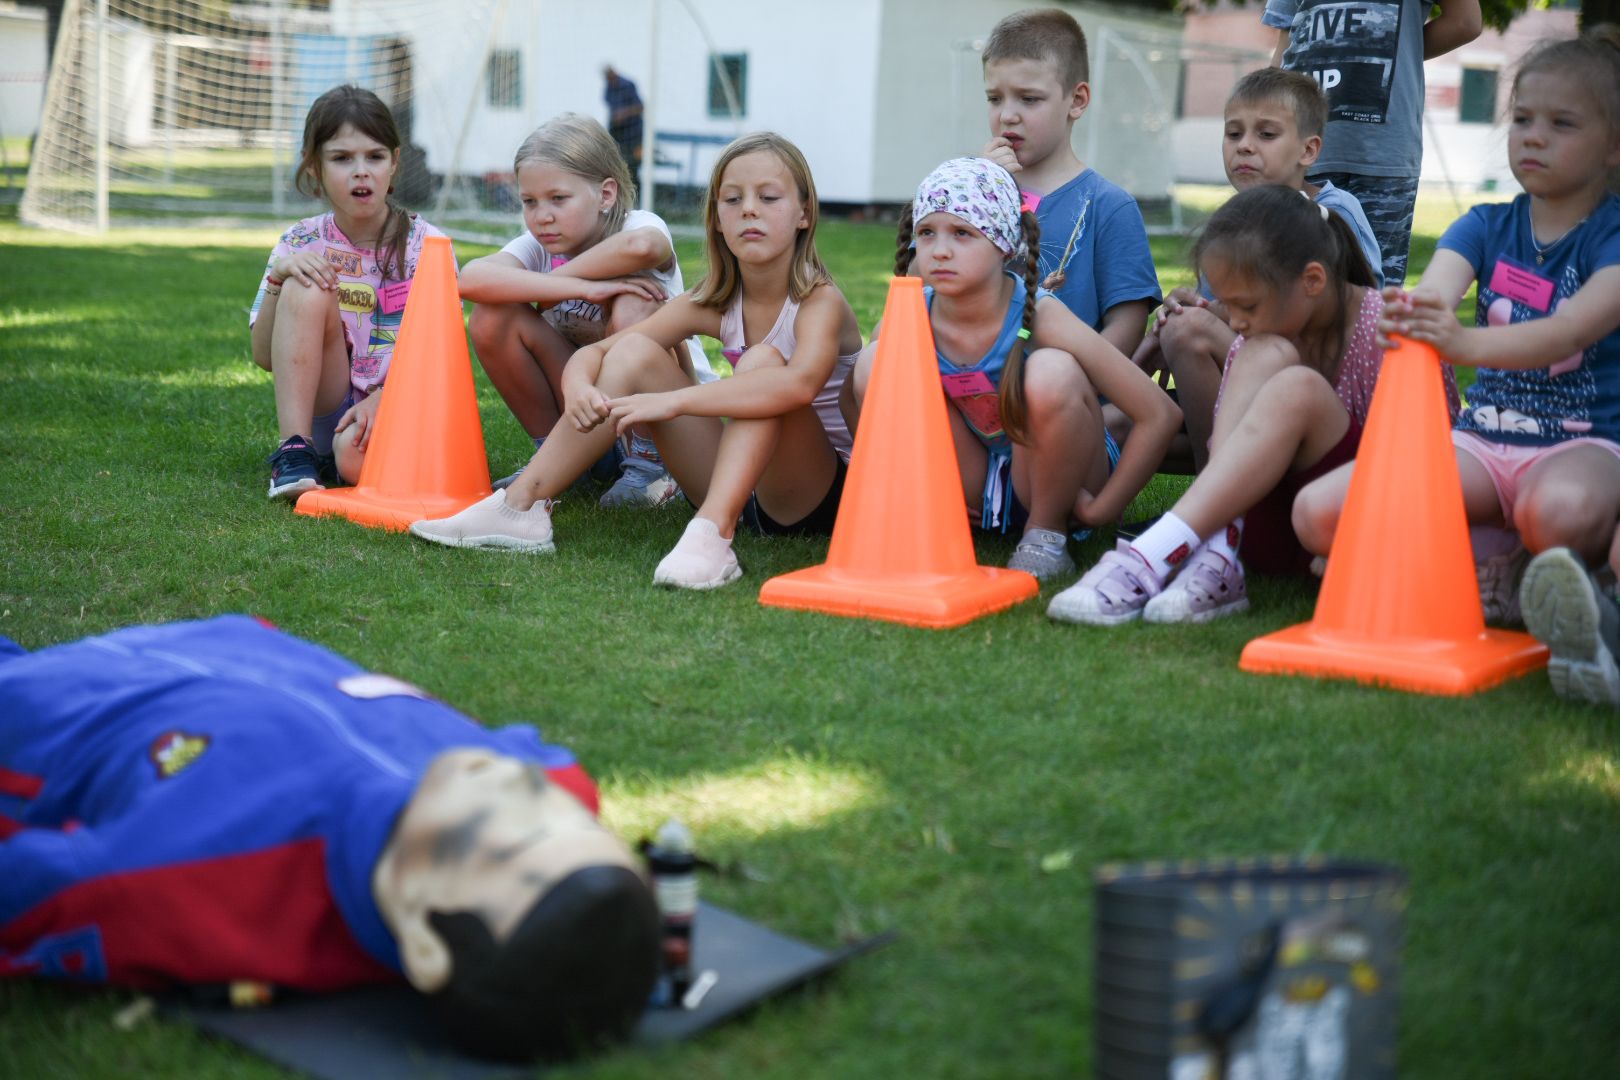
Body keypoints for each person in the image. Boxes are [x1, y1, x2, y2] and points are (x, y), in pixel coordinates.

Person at [0, 615, 659, 1062]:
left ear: (427, 943)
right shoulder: (553, 778)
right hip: (239, 643)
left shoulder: (204, 887)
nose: (513, 782)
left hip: (45, 704)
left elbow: (31, 886)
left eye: (503, 840)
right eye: (572, 819)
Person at [409, 133, 863, 592]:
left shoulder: (819, 302)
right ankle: (520, 506)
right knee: (632, 350)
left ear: (804, 213)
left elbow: (798, 387)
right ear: (717, 220)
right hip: (742, 484)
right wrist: (579, 384)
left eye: (768, 197)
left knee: (764, 361)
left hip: (814, 495)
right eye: (732, 199)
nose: (749, 209)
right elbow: (600, 352)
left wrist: (673, 403)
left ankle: (712, 535)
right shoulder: (713, 301)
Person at [1295, 28, 1620, 667]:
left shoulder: (1611, 237)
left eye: (1562, 123)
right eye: (1523, 118)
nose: (1533, 135)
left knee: (1556, 511)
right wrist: (1406, 316)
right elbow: (1435, 294)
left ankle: (1527, 566)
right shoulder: (1484, 224)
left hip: (1583, 444)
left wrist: (1462, 343)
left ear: (1614, 145)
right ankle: (1497, 565)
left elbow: (1574, 328)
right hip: (1481, 442)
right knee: (1319, 516)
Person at [1048, 185, 1383, 625]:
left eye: (1247, 305)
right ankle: (1217, 550)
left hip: (1345, 533)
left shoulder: (1385, 326)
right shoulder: (1257, 344)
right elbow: (1227, 451)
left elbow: (1431, 468)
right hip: (1257, 532)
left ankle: (1151, 556)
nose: (1236, 321)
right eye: (1227, 303)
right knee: (1262, 352)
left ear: (1313, 281)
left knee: (1297, 385)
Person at [841, 157, 1180, 581]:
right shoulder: (913, 314)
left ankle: (1046, 534)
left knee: (1050, 371)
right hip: (981, 481)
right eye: (927, 233)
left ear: (1003, 243)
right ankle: (944, 515)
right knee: (876, 363)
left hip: (1065, 475)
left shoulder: (1040, 314)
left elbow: (1159, 413)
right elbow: (856, 401)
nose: (940, 250)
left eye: (962, 233)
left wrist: (1102, 509)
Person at [1133, 67, 1382, 474]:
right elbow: (1227, 315)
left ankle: (1213, 513)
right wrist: (1184, 305)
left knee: (1189, 331)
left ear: (1308, 150)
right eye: (1234, 134)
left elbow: (1350, 323)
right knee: (1116, 426)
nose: (1244, 147)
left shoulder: (1334, 212)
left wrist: (1198, 320)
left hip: (1317, 394)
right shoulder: (1231, 225)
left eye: (1266, 135)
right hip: (1240, 391)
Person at [462, 113, 708, 508]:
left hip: (674, 414)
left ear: (606, 195)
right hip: (587, 409)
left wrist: (566, 283)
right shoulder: (539, 245)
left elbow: (642, 249)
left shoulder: (636, 224)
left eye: (558, 199)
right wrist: (577, 288)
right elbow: (471, 278)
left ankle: (651, 466)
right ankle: (561, 459)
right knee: (494, 316)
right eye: (530, 202)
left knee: (635, 303)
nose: (542, 216)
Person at [250, 85, 448, 501]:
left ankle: (338, 457)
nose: (361, 171)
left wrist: (385, 400)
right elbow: (263, 356)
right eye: (341, 158)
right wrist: (278, 280)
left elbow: (439, 358)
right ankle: (295, 452)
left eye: (374, 156)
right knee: (306, 283)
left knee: (353, 463)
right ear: (314, 168)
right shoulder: (300, 238)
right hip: (326, 402)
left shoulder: (429, 247)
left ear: (394, 163)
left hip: (396, 403)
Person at [978, 8, 1161, 360]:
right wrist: (980, 189)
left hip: (1063, 393)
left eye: (1029, 99)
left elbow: (1127, 325)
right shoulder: (966, 187)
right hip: (968, 384)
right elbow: (916, 281)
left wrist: (1074, 382)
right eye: (994, 98)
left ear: (1076, 101)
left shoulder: (1109, 205)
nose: (1007, 115)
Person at [1264, 0, 1482, 287]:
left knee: (1372, 295)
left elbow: (1465, 22)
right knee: (1287, 283)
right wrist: (1264, 130)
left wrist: (1399, 48)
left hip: (1381, 155)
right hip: (1298, 151)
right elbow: (1286, 45)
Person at [602, 66, 644, 173]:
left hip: (632, 133)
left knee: (633, 168)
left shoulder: (628, 85)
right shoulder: (609, 87)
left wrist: (623, 114)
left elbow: (640, 107)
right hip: (618, 133)